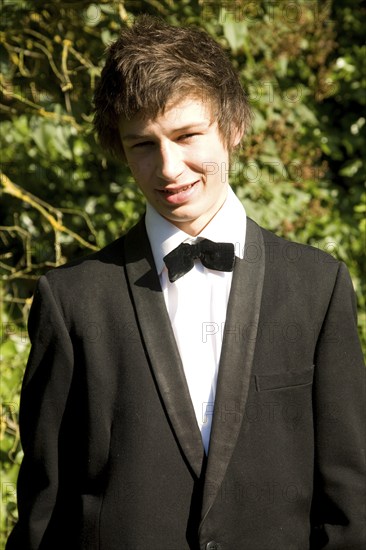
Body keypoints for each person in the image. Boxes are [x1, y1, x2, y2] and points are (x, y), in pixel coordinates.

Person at [6, 15, 365, 550]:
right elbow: (44, 509)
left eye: (187, 135)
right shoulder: (72, 300)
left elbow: (350, 504)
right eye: (143, 146)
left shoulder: (319, 286)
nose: (169, 168)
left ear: (233, 126)